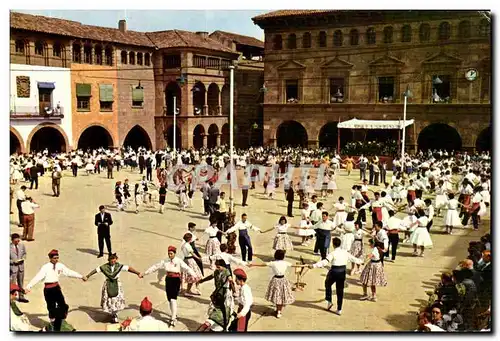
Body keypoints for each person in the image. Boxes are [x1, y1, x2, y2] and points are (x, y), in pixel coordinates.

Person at [141, 245, 196, 327]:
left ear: (174, 253)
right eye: (169, 253)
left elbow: (187, 268)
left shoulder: (178, 261)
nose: (170, 255)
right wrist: (145, 273)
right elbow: (155, 267)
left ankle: (173, 318)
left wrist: (194, 275)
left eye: (171, 253)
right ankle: (174, 314)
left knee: (173, 299)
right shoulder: (165, 261)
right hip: (168, 280)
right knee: (170, 299)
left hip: (176, 280)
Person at [308, 237, 363, 315]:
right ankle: (339, 309)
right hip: (342, 272)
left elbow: (325, 262)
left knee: (327, 284)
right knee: (340, 290)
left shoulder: (332, 253)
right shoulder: (345, 252)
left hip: (334, 271)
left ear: (333, 245)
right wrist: (362, 261)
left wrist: (314, 265)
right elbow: (354, 259)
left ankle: (329, 301)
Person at [25, 249, 83, 320]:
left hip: (56, 288)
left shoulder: (60, 266)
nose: (56, 260)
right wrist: (28, 287)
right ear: (50, 258)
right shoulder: (45, 267)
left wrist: (81, 276)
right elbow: (38, 277)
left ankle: (61, 320)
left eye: (57, 258)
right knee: (51, 307)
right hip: (48, 290)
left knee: (63, 306)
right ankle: (52, 324)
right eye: (54, 258)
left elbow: (69, 272)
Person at [83, 253, 141, 323]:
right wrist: (87, 276)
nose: (113, 262)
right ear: (109, 260)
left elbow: (129, 268)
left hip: (117, 284)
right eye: (111, 261)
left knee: (116, 300)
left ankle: (114, 314)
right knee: (109, 300)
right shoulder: (104, 267)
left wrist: (138, 273)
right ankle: (113, 314)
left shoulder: (119, 266)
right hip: (108, 285)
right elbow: (96, 270)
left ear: (116, 259)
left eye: (114, 260)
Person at [250, 250, 299, 318]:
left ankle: (278, 311)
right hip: (283, 280)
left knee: (277, 296)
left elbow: (263, 264)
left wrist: (252, 265)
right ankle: (279, 311)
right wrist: (306, 265)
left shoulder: (273, 263)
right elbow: (294, 265)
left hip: (275, 280)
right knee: (281, 296)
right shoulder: (285, 263)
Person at [198, 259, 235, 331]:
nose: (217, 268)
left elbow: (231, 281)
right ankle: (214, 321)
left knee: (226, 309)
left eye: (218, 267)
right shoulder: (216, 272)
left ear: (223, 266)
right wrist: (201, 281)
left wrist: (234, 291)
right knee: (214, 308)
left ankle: (223, 324)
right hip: (218, 293)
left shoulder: (227, 272)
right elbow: (210, 277)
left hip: (225, 293)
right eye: (216, 267)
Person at [10, 233, 28, 303]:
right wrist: (13, 262)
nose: (17, 242)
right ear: (12, 240)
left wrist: (23, 258)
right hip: (13, 268)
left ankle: (21, 296)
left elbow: (24, 254)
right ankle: (12, 298)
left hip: (21, 267)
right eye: (15, 241)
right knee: (13, 284)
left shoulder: (22, 246)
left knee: (21, 283)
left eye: (18, 241)